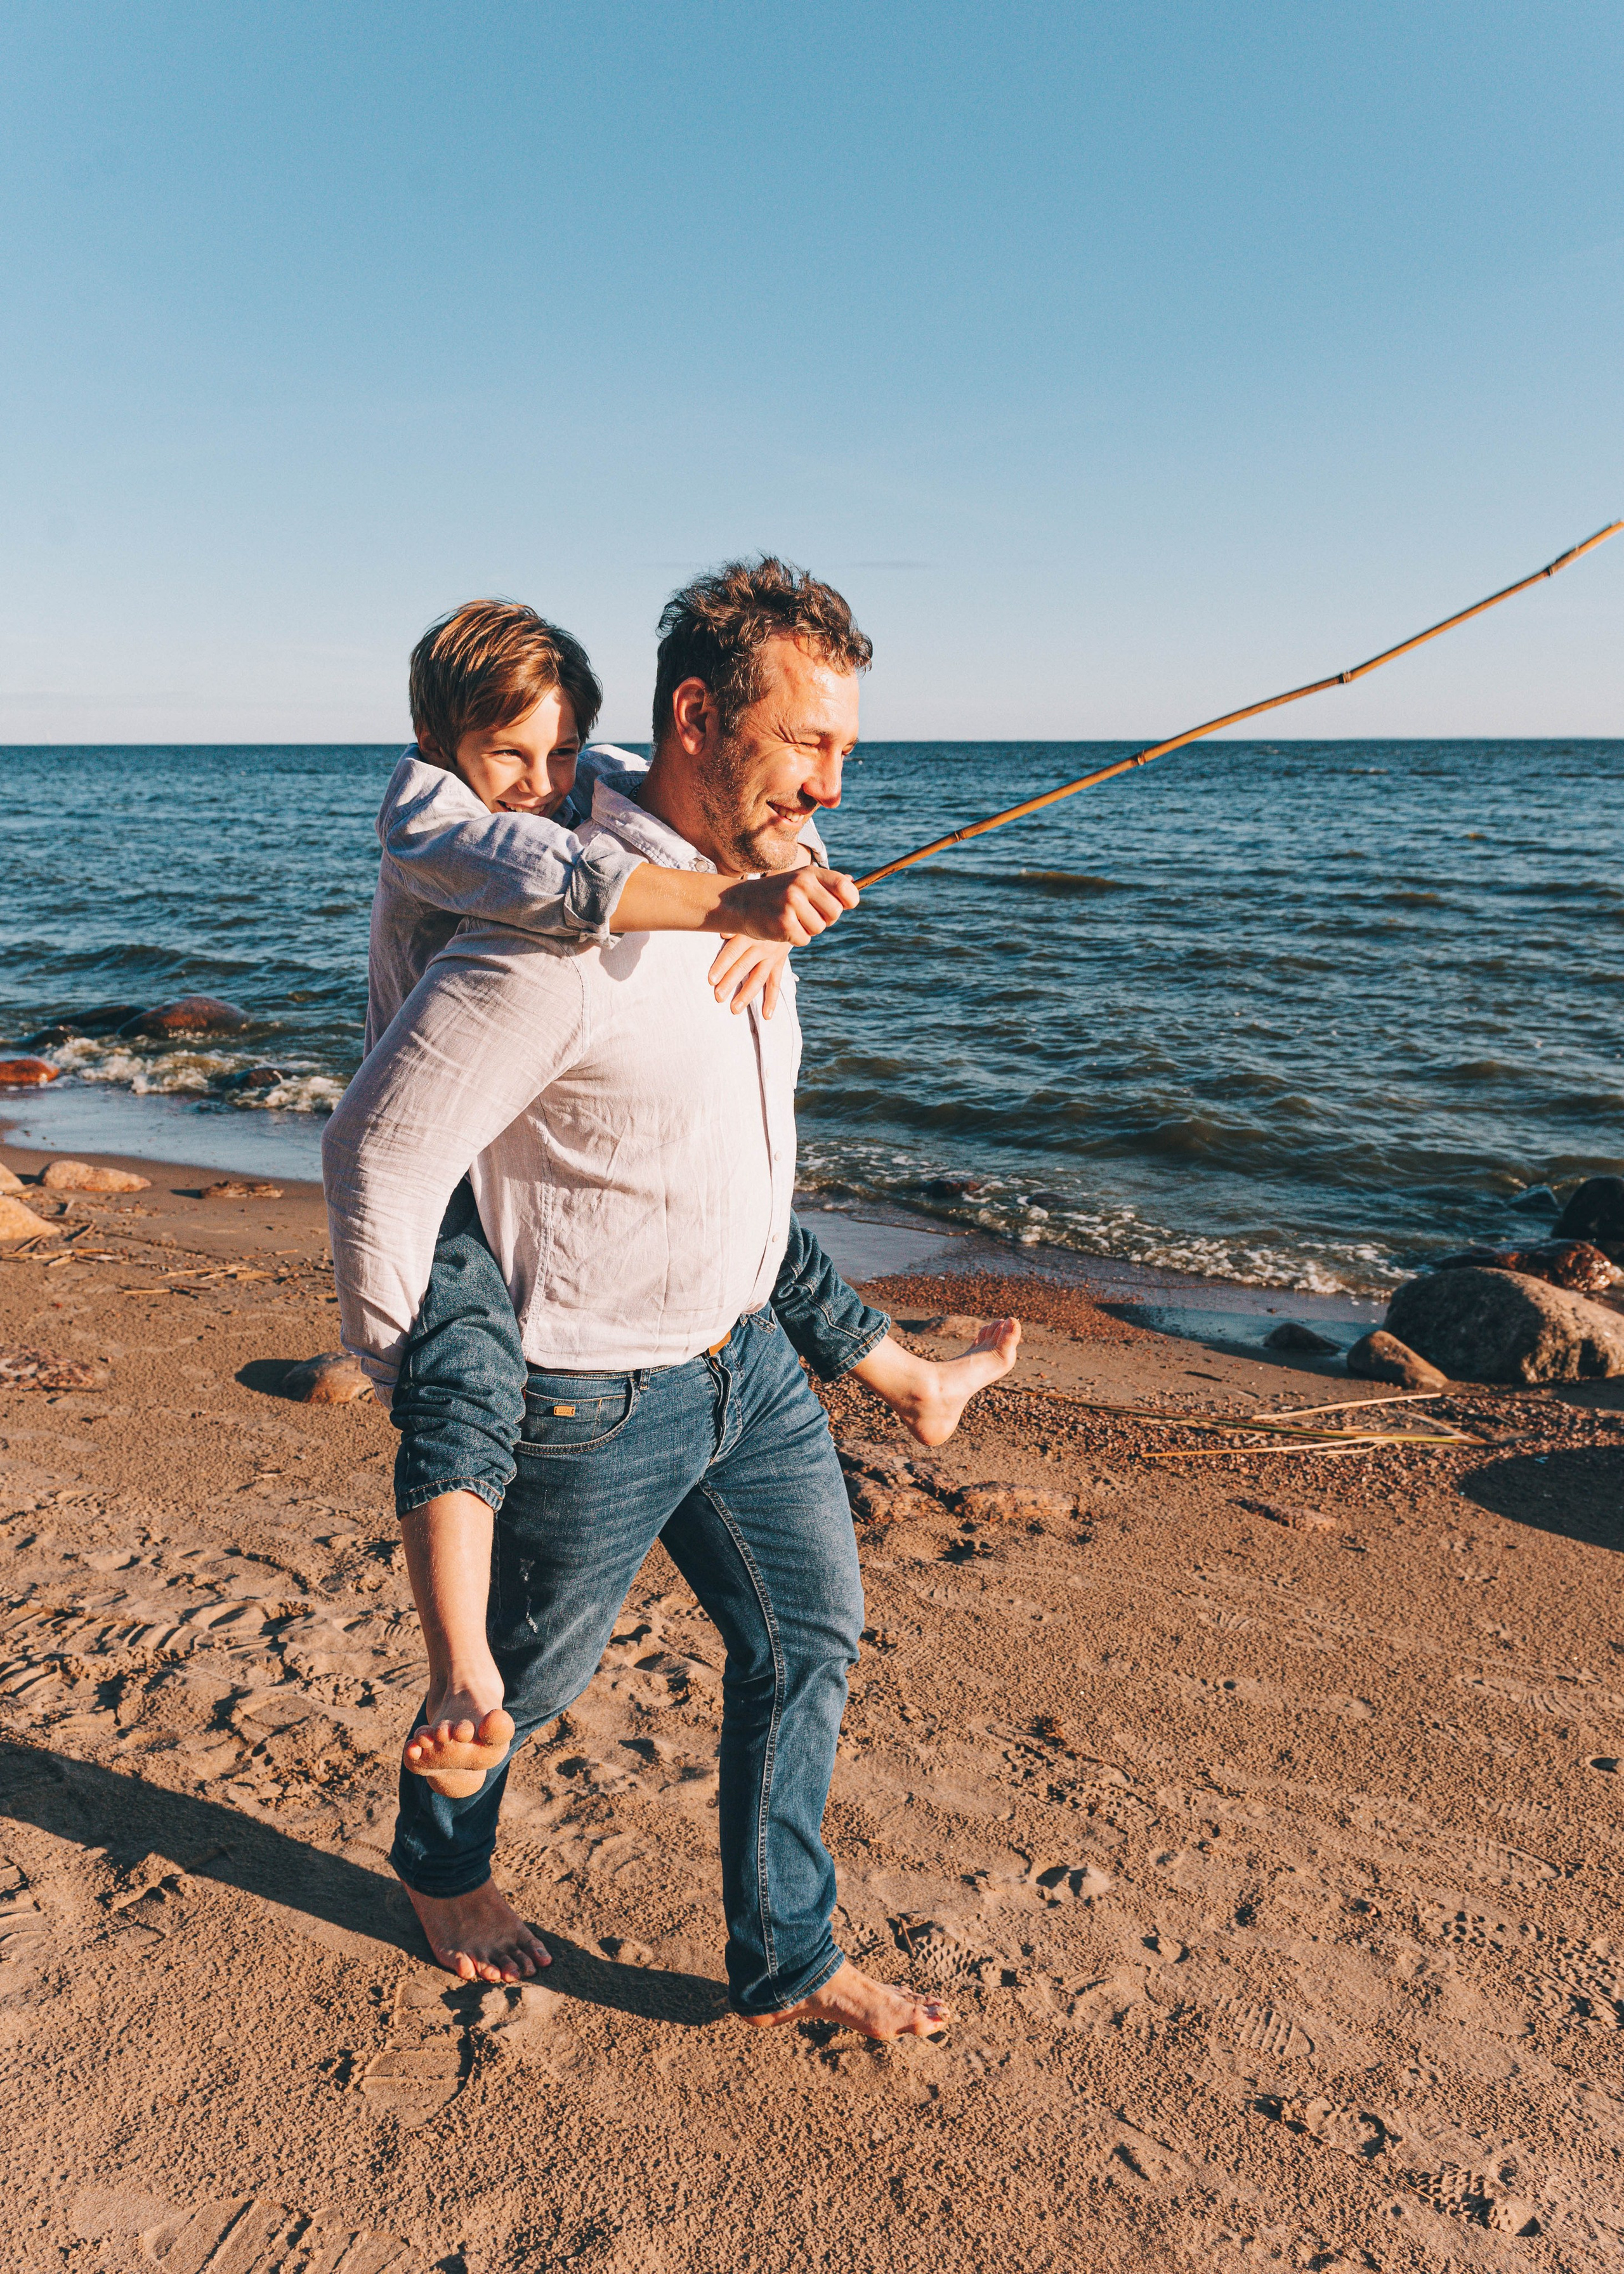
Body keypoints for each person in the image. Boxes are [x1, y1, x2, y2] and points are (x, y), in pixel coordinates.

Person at [324, 558, 1019, 2039]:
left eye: (846, 747)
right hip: (590, 1393)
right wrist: (416, 1365)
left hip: (747, 1364)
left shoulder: (730, 875)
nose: (834, 785)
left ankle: (789, 1958)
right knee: (522, 1682)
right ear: (703, 715)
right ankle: (441, 1870)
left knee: (807, 1639)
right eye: (809, 744)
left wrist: (743, 911)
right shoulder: (550, 930)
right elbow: (377, 1147)